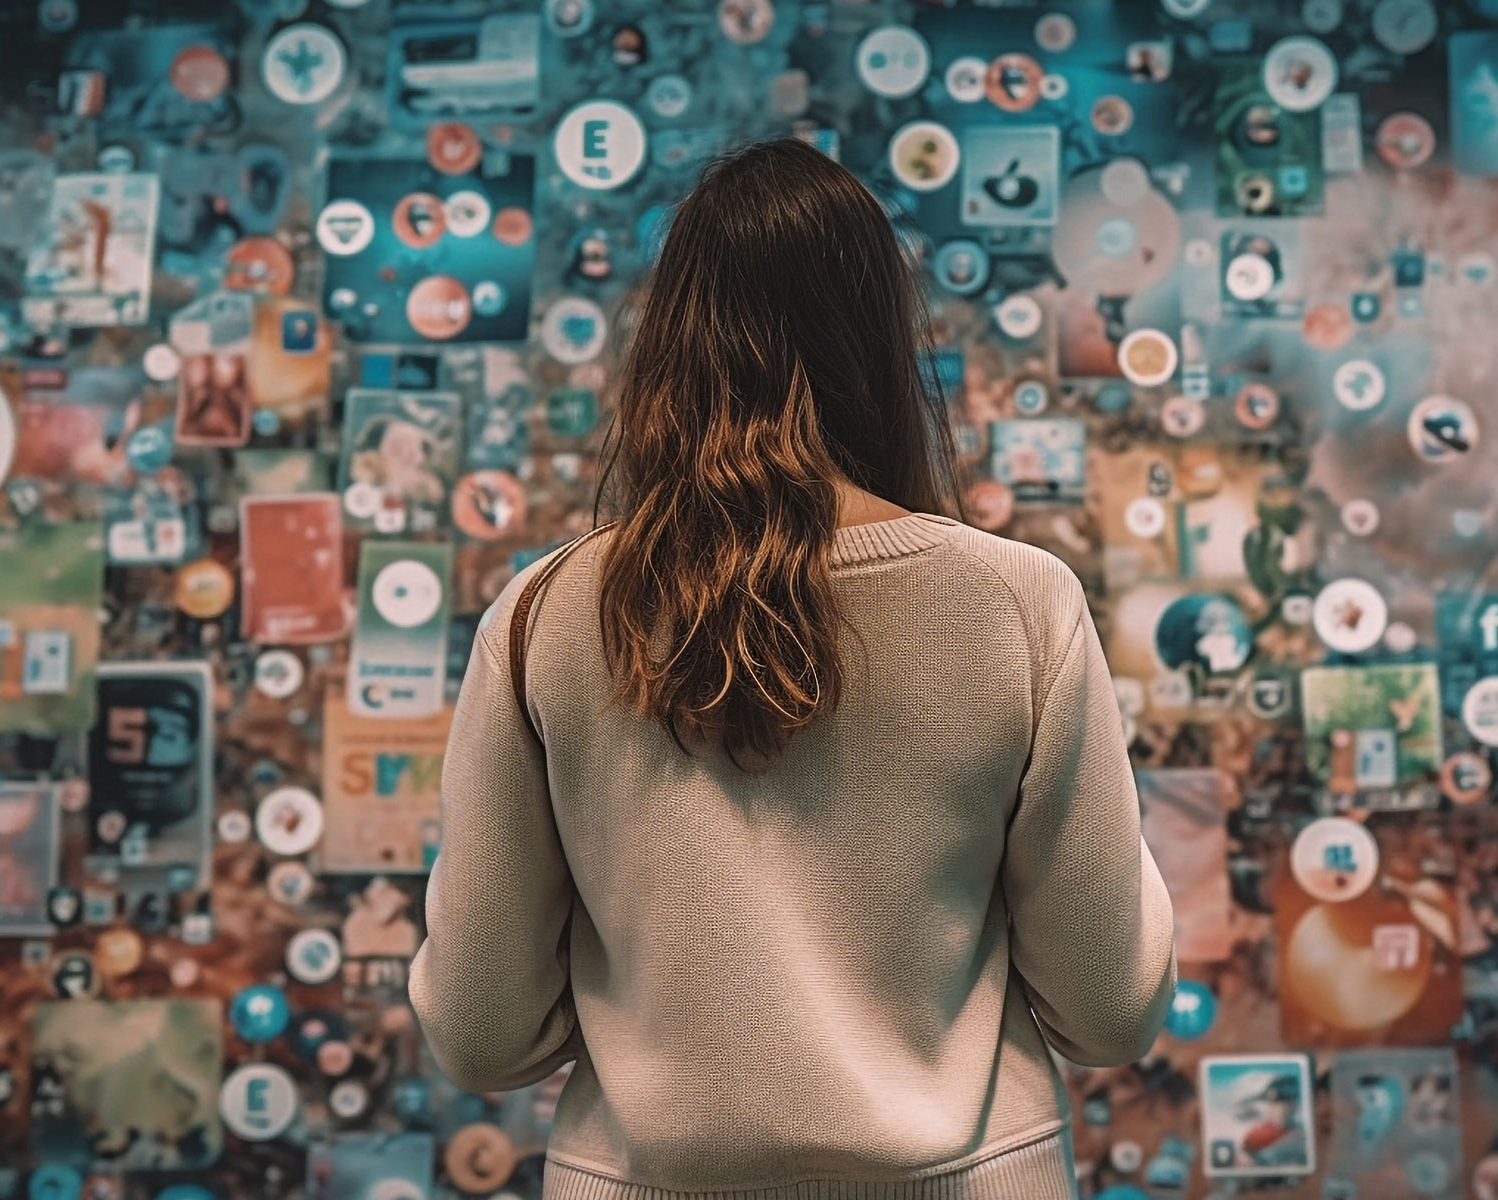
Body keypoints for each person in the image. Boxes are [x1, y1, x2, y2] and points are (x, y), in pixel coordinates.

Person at [407, 136, 1177, 1200]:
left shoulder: (544, 617)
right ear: (877, 342)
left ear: (666, 344)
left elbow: (483, 1035)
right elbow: (1107, 1009)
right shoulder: (1017, 602)